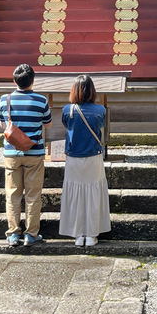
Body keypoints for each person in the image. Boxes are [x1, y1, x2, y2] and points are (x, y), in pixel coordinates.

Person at [0, 64, 52, 247]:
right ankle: (31, 234)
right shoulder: (41, 100)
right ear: (33, 81)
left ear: (14, 81)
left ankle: (13, 234)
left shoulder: (4, 100)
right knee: (33, 194)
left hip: (11, 153)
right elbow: (48, 124)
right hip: (34, 153)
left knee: (12, 194)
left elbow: (3, 127)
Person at [59, 75, 110, 247]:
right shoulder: (100, 110)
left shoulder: (67, 110)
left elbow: (67, 125)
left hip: (73, 157)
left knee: (75, 195)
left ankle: (78, 234)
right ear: (92, 91)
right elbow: (101, 125)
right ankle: (92, 233)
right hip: (93, 156)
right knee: (93, 194)